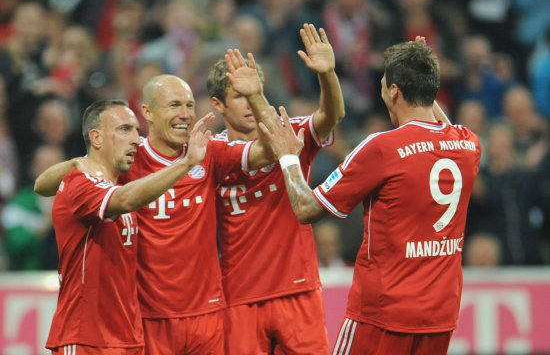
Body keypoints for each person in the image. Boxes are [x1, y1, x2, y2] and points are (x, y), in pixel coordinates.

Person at [259, 40, 481, 354]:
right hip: (440, 314)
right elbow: (439, 127)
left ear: (393, 92)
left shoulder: (382, 149)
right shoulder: (468, 144)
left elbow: (306, 208)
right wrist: (421, 70)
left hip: (382, 313)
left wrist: (288, 158)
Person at [35, 76, 273, 355]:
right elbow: (43, 185)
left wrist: (257, 98)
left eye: (189, 105)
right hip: (139, 322)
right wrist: (76, 162)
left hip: (191, 319)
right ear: (149, 112)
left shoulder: (206, 152)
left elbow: (270, 150)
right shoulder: (124, 164)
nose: (184, 113)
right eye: (174, 105)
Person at [206, 23, 344, 354]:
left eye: (254, 91)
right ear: (218, 105)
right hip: (240, 295)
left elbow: (332, 115)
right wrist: (257, 94)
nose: (249, 103)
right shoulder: (213, 152)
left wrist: (327, 76)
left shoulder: (292, 129)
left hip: (298, 291)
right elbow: (272, 148)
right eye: (239, 96)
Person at [45, 98, 213, 355]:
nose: (136, 138)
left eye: (137, 129)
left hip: (128, 338)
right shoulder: (80, 184)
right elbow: (124, 200)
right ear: (97, 138)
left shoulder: (119, 184)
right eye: (124, 129)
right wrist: (186, 164)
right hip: (86, 338)